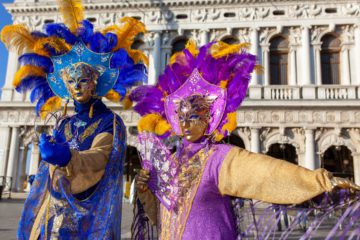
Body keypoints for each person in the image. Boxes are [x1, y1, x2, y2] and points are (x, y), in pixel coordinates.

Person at [129, 40, 360, 239]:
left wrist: (322, 182)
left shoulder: (218, 159)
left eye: (194, 117)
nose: (187, 124)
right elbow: (165, 218)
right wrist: (146, 190)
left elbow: (268, 175)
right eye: (182, 118)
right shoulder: (172, 161)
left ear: (210, 119)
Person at [1, 0, 147, 239]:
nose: (77, 86)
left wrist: (67, 157)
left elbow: (100, 158)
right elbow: (49, 176)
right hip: (57, 218)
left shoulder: (108, 121)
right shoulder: (64, 124)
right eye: (71, 81)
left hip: (91, 220)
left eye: (84, 80)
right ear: (64, 86)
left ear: (96, 83)